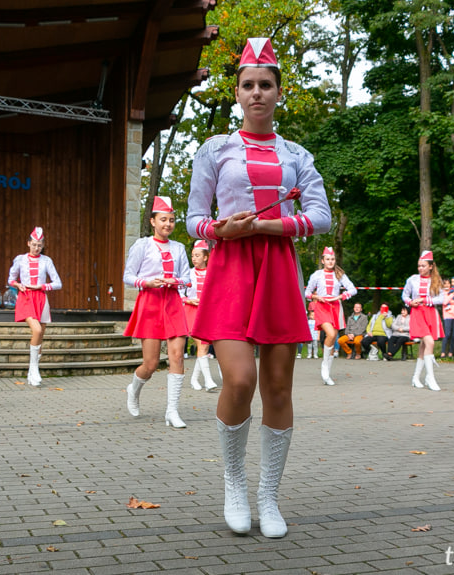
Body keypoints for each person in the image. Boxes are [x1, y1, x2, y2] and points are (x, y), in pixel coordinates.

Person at [186, 37, 331, 538]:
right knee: (241, 379)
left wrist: (270, 227)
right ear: (238, 93)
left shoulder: (297, 154)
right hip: (229, 270)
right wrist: (220, 231)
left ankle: (268, 496)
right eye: (248, 85)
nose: (257, 93)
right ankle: (233, 481)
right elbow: (194, 219)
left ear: (278, 92)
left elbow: (320, 217)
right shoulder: (215, 149)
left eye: (265, 85)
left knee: (277, 386)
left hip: (278, 271)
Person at [124, 196, 191, 428]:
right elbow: (128, 277)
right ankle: (134, 389)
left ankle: (172, 411)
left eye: (171, 220)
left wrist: (176, 282)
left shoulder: (179, 248)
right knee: (151, 364)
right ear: (153, 221)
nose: (168, 224)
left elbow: (187, 279)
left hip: (173, 304)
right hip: (150, 303)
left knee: (177, 356)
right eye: (163, 220)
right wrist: (147, 283)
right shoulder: (142, 246)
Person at [8, 227, 62, 386]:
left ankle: (32, 373)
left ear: (42, 245)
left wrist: (43, 287)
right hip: (26, 297)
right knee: (36, 330)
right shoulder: (20, 259)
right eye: (34, 244)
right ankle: (33, 368)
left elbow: (58, 283)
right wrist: (17, 285)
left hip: (41, 298)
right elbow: (10, 279)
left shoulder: (47, 261)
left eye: (39, 245)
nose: (36, 248)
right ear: (28, 243)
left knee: (40, 336)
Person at [305, 247, 357, 385]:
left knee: (333, 338)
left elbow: (353, 289)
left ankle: (327, 369)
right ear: (323, 261)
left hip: (336, 308)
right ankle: (324, 366)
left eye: (332, 259)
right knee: (330, 334)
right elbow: (307, 293)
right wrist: (317, 297)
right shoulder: (316, 275)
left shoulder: (340, 275)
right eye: (327, 259)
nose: (330, 261)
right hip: (322, 307)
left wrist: (341, 296)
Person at [402, 251, 444, 391]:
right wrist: (410, 302)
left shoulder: (437, 280)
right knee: (429, 342)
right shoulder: (412, 279)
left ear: (431, 266)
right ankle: (430, 377)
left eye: (423, 266)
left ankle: (415, 377)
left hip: (430, 313)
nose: (420, 268)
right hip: (417, 313)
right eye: (419, 266)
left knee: (423, 346)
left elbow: (442, 298)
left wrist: (425, 300)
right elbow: (405, 295)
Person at [183, 240, 218, 391]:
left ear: (205, 257)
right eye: (192, 256)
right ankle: (209, 381)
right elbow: (178, 293)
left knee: (203, 348)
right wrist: (189, 300)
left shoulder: (213, 273)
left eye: (197, 255)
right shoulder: (188, 274)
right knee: (202, 345)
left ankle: (194, 379)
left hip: (207, 313)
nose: (194, 258)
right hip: (191, 312)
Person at [441, 277, 454, 359]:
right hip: (447, 316)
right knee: (447, 334)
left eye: (448, 283)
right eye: (445, 284)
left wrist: (451, 301)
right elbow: (444, 302)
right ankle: (443, 352)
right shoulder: (443, 293)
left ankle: (451, 352)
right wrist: (452, 295)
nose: (447, 285)